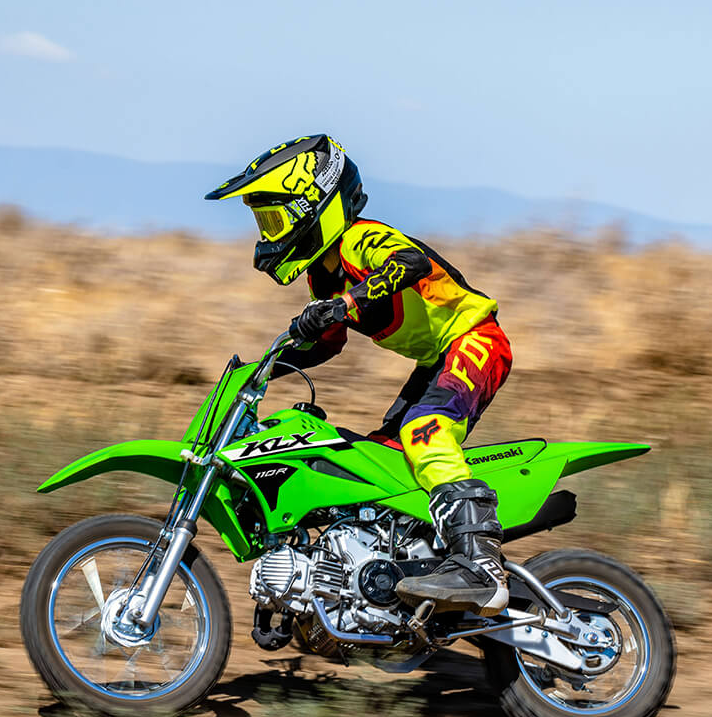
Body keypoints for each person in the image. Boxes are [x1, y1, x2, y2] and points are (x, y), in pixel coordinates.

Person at [206, 135, 514, 615]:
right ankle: (394, 574)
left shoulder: (360, 238)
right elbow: (328, 343)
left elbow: (409, 262)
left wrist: (342, 305)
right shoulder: (322, 276)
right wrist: (267, 368)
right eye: (263, 221)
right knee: (378, 461)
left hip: (475, 339)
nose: (268, 233)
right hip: (435, 359)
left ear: (314, 205)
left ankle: (481, 565)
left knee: (423, 432)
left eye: (274, 218)